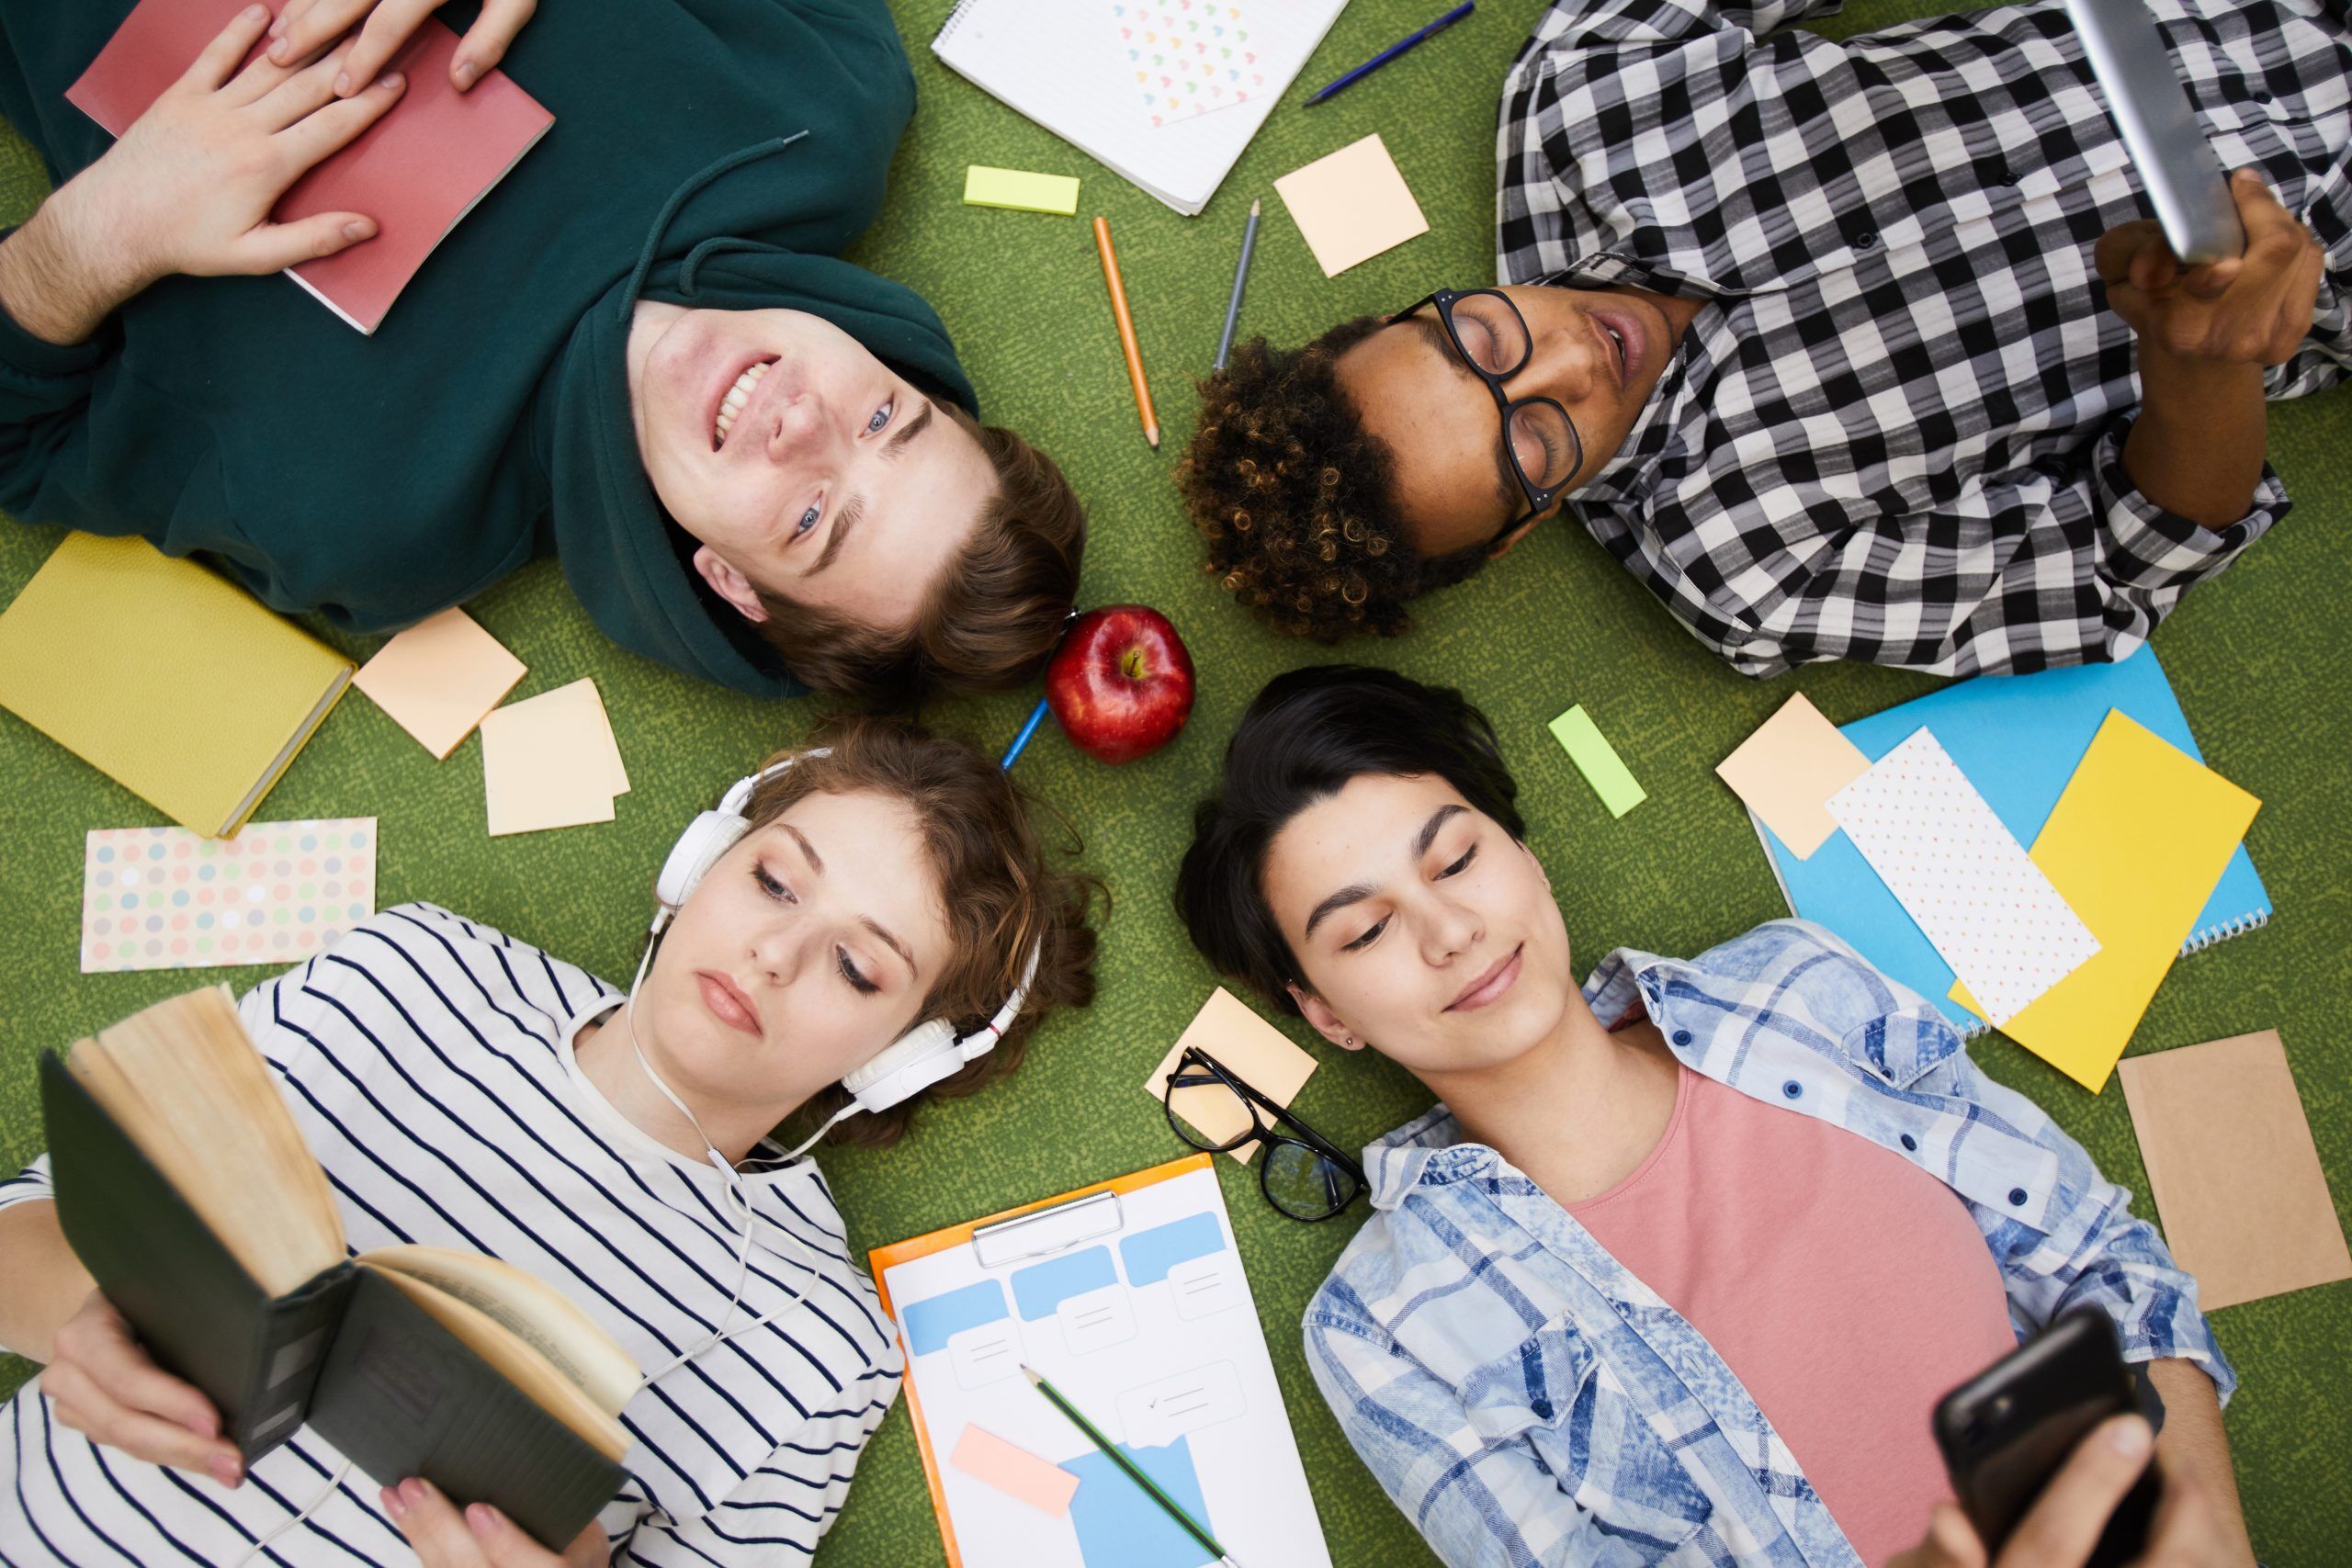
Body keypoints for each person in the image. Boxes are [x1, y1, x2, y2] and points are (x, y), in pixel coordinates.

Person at [1174, 664, 2252, 1567]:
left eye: (1456, 859)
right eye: (1364, 933)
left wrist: (2204, 1534)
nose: (1450, 931)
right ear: (1327, 1016)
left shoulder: (1795, 986)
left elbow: (2106, 1262)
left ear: (1522, 852)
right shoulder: (1380, 1328)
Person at [0, 716, 1100, 1565]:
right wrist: (74, 1317)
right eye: (773, 880)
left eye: (858, 969)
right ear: (699, 861)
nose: (772, 955)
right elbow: (25, 1221)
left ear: (896, 1060)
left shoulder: (818, 1351)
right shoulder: (413, 972)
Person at [1180, 0, 2345, 678]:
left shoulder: (1586, 94)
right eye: (1534, 444)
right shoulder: (1747, 569)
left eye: (1483, 334)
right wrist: (2199, 358)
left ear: (1399, 308)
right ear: (1514, 539)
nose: (1581, 357)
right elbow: (2128, 558)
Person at [0, 0, 1086, 705]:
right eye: (887, 420)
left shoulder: (374, 520)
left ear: (732, 586)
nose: (803, 423)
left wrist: (100, 234)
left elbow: (18, 445)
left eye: (814, 521)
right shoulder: (822, 101)